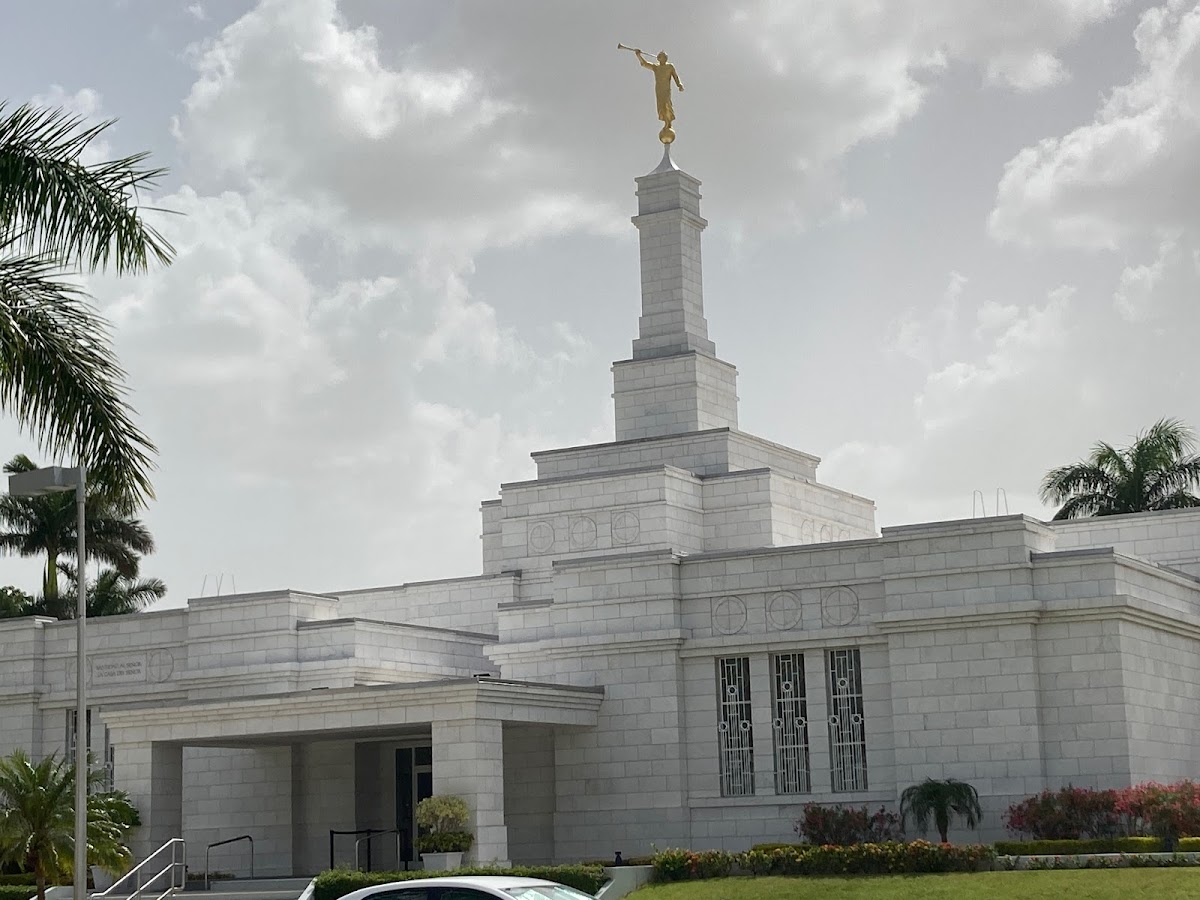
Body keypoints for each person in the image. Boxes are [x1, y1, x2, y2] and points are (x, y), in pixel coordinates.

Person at [634, 49, 684, 127]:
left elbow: (675, 76)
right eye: (659, 56)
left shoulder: (670, 66)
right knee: (661, 106)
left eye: (662, 56)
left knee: (667, 104)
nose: (660, 57)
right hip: (659, 89)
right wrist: (638, 55)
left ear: (665, 58)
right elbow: (645, 64)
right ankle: (666, 122)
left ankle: (669, 121)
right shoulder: (656, 67)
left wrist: (679, 85)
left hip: (666, 89)